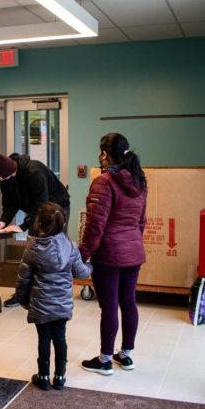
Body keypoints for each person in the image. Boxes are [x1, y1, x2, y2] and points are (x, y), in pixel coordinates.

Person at [79, 132, 147, 375]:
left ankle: (105, 360)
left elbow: (95, 224)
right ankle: (125, 355)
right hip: (133, 251)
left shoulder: (104, 182)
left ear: (104, 154)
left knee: (109, 307)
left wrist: (83, 253)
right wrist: (133, 242)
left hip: (108, 254)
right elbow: (141, 221)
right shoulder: (139, 180)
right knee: (128, 302)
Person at [14, 202, 92, 390]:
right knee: (60, 338)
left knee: (43, 339)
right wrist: (91, 266)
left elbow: (23, 278)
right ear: (63, 223)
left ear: (39, 224)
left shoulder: (32, 248)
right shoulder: (71, 247)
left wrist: (23, 300)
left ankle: (43, 376)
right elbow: (81, 272)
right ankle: (60, 377)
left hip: (41, 304)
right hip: (62, 304)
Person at [0, 153, 70, 307]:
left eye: (4, 179)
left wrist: (22, 226)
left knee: (52, 249)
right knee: (32, 251)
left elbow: (41, 203)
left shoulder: (34, 172)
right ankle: (23, 294)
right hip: (37, 210)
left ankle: (53, 293)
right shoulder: (4, 178)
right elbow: (9, 204)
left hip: (57, 208)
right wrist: (3, 221)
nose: (3, 182)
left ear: (12, 172)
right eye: (0, 180)